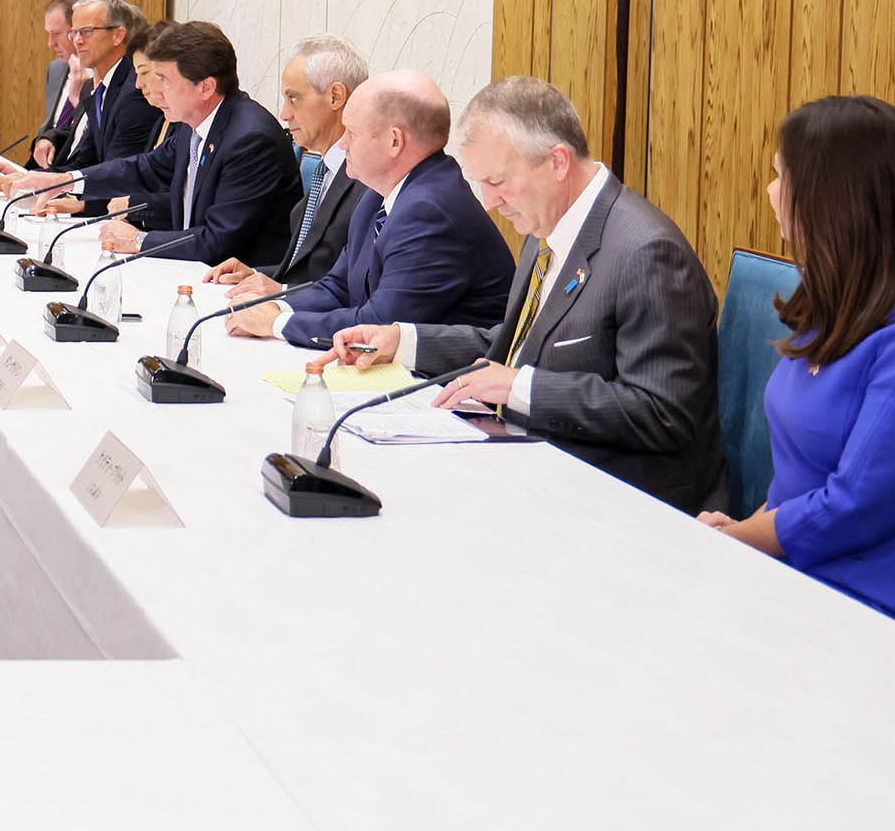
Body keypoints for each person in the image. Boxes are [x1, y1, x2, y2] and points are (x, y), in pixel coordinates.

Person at [312, 76, 726, 512]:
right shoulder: (544, 228)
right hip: (533, 464)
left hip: (621, 497)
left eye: (498, 182)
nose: (490, 203)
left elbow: (663, 414)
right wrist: (404, 341)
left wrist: (521, 387)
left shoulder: (646, 253)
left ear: (557, 162)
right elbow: (512, 350)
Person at [697, 96, 895, 646]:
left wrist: (740, 540)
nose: (769, 192)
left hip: (875, 604)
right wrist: (739, 532)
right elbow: (802, 476)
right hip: (797, 571)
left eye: (779, 176)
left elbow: (855, 504)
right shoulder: (844, 297)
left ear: (830, 197)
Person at [225, 69, 511, 346]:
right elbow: (337, 288)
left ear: (394, 141)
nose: (343, 144)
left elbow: (379, 325)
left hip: (447, 383)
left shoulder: (431, 211)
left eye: (351, 133)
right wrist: (275, 308)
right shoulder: (378, 194)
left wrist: (276, 325)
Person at [82, 21, 299, 268]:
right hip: (191, 271)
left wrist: (139, 240)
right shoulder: (194, 124)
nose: (157, 90)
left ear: (206, 87)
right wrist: (70, 180)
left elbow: (217, 242)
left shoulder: (250, 139)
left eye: (164, 80)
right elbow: (145, 168)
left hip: (235, 287)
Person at [209, 35, 370, 289]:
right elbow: (304, 268)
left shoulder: (369, 180)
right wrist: (256, 273)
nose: (284, 114)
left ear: (335, 96)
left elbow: (350, 287)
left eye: (293, 98)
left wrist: (283, 292)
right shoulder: (325, 169)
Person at [0, 0, 162, 196]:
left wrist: (68, 197)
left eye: (87, 32)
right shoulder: (97, 87)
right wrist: (28, 178)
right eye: (74, 32)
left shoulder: (135, 91)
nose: (78, 41)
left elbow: (118, 174)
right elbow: (84, 160)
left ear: (118, 35)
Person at [30, 0, 85, 169]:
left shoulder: (100, 75)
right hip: (46, 165)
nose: (50, 43)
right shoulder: (56, 69)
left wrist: (81, 102)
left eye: (56, 34)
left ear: (77, 32)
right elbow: (49, 125)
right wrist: (42, 140)